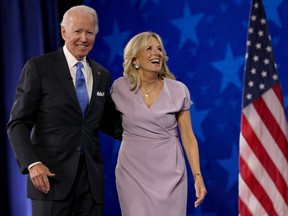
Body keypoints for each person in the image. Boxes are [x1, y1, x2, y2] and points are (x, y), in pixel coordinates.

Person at [6, 5, 122, 216]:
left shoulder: (101, 75)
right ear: (63, 32)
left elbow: (111, 123)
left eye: (90, 32)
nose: (84, 38)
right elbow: (17, 124)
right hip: (50, 180)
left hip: (91, 185)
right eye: (78, 31)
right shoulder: (39, 68)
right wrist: (33, 163)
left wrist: (154, 130)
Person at [111, 31, 207, 216]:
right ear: (135, 58)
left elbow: (187, 136)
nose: (157, 53)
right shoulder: (119, 88)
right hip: (132, 172)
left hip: (170, 172)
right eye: (149, 48)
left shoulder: (178, 90)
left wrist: (197, 175)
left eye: (159, 49)